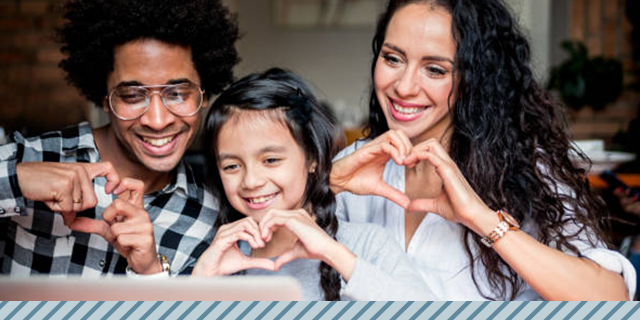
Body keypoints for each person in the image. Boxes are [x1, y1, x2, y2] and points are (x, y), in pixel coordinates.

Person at [329, 0, 636, 300]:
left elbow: (611, 300)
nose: (404, 86)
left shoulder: (526, 170)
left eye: (435, 69)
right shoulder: (351, 166)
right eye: (393, 58)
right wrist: (329, 183)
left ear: (474, 78)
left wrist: (482, 219)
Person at [0, 0, 239, 276]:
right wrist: (15, 180)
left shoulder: (210, 221)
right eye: (133, 96)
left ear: (204, 95)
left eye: (177, 93)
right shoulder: (29, 157)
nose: (158, 121)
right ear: (105, 98)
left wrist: (150, 272)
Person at [191, 68, 433, 300]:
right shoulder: (223, 257)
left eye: (271, 160)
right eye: (232, 166)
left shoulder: (367, 244)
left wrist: (333, 254)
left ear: (312, 159)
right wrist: (201, 284)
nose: (251, 181)